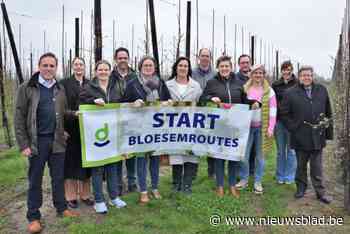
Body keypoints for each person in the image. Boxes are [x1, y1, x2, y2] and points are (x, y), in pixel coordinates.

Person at [14, 52, 79, 234]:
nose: (49, 69)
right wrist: (23, 144)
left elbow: (62, 111)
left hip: (57, 141)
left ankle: (61, 208)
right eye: (45, 65)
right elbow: (18, 117)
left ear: (56, 68)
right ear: (39, 66)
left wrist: (73, 115)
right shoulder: (27, 87)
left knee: (58, 178)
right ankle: (33, 217)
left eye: (52, 66)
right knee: (35, 180)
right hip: (37, 142)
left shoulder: (59, 88)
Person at [200, 56, 259, 198]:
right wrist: (210, 98)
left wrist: (254, 103)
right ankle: (220, 186)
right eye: (222, 66)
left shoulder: (239, 83)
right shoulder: (212, 83)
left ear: (231, 67)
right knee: (220, 156)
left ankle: (232, 185)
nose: (224, 69)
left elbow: (246, 99)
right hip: (219, 126)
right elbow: (201, 99)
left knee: (233, 156)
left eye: (227, 66)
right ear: (218, 68)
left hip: (236, 126)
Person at [280, 66, 333, 204]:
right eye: (303, 75)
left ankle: (320, 192)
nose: (306, 77)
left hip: (317, 135)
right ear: (299, 76)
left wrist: (327, 131)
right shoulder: (290, 93)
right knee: (301, 166)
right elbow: (284, 114)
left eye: (309, 75)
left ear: (312, 76)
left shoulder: (321, 90)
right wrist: (293, 128)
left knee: (317, 167)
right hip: (300, 135)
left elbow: (328, 111)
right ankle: (301, 189)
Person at [122, 56, 171, 204]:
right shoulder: (132, 83)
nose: (148, 68)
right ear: (140, 67)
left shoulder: (161, 83)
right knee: (141, 159)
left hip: (157, 127)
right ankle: (143, 191)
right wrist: (133, 103)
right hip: (139, 127)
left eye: (151, 65)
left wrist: (168, 102)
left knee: (155, 159)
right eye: (145, 65)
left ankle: (155, 187)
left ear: (154, 67)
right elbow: (124, 103)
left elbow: (168, 99)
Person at [80, 60, 127, 213]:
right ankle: (99, 200)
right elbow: (80, 102)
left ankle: (114, 197)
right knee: (98, 167)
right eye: (100, 69)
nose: (103, 72)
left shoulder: (116, 87)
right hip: (96, 135)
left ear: (109, 71)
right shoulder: (88, 87)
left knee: (113, 165)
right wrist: (93, 101)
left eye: (106, 69)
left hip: (112, 132)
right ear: (95, 71)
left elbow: (121, 104)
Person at [236, 64, 277, 194]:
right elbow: (239, 106)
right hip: (246, 128)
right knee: (244, 155)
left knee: (260, 156)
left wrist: (271, 128)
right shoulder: (245, 89)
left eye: (260, 73)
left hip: (261, 128)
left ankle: (258, 181)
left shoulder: (269, 91)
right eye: (255, 73)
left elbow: (273, 110)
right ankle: (244, 179)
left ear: (263, 75)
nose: (258, 75)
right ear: (251, 75)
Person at [60, 57, 94, 209]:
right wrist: (63, 128)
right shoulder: (64, 83)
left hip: (88, 130)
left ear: (85, 67)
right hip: (70, 129)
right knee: (70, 164)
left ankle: (85, 195)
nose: (79, 67)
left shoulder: (90, 83)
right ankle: (71, 196)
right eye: (76, 64)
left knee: (87, 163)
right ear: (72, 67)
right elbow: (59, 107)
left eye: (81, 64)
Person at [166, 57, 202, 195]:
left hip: (191, 125)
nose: (182, 68)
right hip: (173, 125)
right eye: (180, 65)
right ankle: (176, 184)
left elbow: (199, 104)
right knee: (176, 155)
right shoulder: (167, 85)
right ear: (176, 67)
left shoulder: (196, 85)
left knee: (191, 155)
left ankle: (187, 185)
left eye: (185, 66)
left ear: (189, 68)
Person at [110, 47, 138, 194]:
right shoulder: (110, 77)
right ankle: (118, 184)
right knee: (117, 153)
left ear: (128, 59)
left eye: (125, 58)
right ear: (115, 59)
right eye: (120, 58)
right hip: (115, 120)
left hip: (132, 120)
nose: (122, 60)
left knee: (131, 152)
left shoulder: (135, 76)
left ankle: (132, 182)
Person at [191, 48, 216, 179]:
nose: (205, 58)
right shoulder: (192, 73)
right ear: (199, 57)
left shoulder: (215, 74)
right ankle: (193, 172)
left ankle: (212, 172)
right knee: (195, 141)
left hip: (211, 112)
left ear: (210, 58)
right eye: (203, 56)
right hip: (195, 112)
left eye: (207, 56)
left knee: (211, 141)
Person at [272, 61, 297, 184]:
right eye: (284, 69)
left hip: (292, 122)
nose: (287, 72)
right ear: (281, 71)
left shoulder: (297, 84)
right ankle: (280, 175)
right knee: (280, 151)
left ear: (292, 71)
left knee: (291, 151)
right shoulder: (276, 85)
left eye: (289, 69)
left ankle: (289, 176)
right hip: (279, 122)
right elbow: (272, 103)